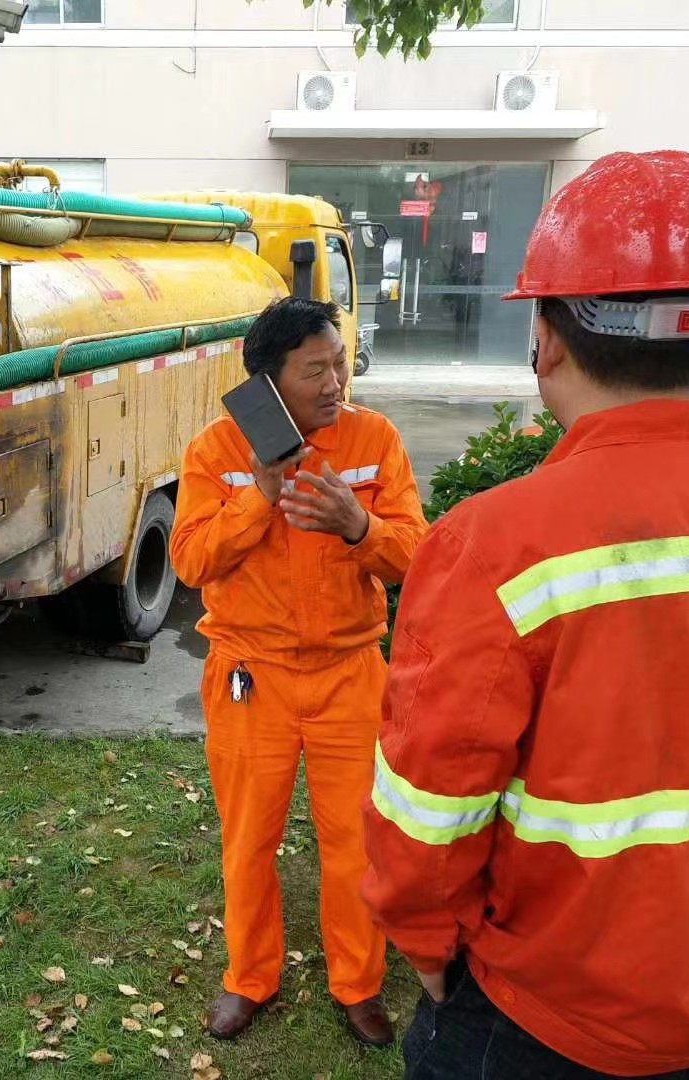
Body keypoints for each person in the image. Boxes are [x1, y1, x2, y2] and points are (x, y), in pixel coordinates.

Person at [363, 150, 689, 1080]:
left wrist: (429, 952)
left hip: (545, 1021)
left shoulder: (500, 545)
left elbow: (426, 818)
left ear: (546, 338)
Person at [170, 297, 427, 1046]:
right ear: (268, 382)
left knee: (356, 839)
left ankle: (358, 984)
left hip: (350, 672)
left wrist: (360, 526)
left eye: (340, 362)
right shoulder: (218, 450)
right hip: (254, 676)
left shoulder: (375, 438)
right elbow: (190, 558)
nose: (335, 381)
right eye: (315, 370)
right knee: (249, 838)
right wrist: (259, 496)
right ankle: (250, 978)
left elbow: (416, 553)